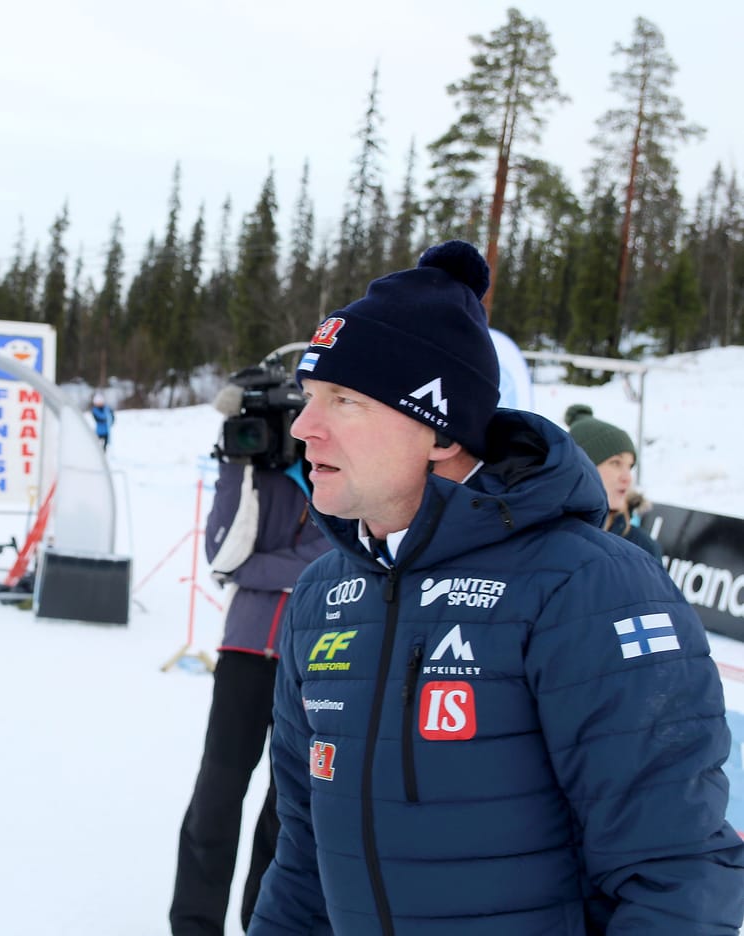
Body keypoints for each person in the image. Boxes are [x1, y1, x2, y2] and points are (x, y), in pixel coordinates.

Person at [249, 240, 744, 935]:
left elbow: (676, 876)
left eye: (344, 400)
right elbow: (302, 859)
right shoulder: (324, 594)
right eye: (308, 398)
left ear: (439, 431)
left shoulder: (588, 586)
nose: (304, 426)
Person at [170, 381, 331, 935]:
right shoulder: (253, 474)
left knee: (287, 803)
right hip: (244, 651)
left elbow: (329, 557)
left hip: (312, 659)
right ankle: (194, 924)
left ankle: (263, 921)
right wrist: (237, 464)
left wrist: (254, 570)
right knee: (216, 792)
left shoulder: (335, 478)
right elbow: (222, 552)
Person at [564, 403, 662, 558]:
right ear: (584, 468)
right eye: (616, 463)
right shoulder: (545, 540)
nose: (627, 478)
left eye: (629, 467)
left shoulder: (643, 548)